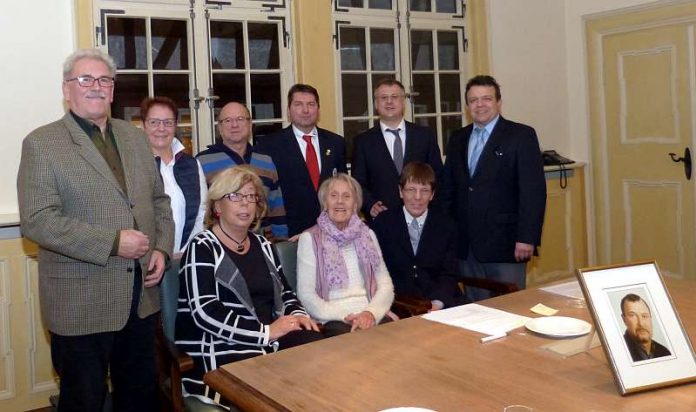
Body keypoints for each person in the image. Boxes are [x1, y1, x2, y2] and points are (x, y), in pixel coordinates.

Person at [17, 48, 174, 411]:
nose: (96, 87)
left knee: (140, 398)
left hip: (140, 301)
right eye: (85, 79)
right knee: (83, 401)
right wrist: (113, 242)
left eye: (104, 80)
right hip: (80, 303)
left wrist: (162, 251)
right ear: (66, 89)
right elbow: (38, 220)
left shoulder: (135, 138)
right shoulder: (42, 143)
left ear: (113, 90)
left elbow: (160, 203)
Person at [175, 166, 322, 404]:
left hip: (268, 344)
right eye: (235, 196)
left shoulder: (264, 245)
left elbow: (286, 293)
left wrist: (297, 315)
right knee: (279, 389)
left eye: (251, 196)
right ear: (217, 207)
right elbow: (205, 312)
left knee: (318, 352)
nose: (245, 204)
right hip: (221, 347)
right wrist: (266, 333)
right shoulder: (201, 247)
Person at [438, 75, 546, 301]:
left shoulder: (521, 135)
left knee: (511, 309)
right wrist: (446, 236)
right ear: (467, 105)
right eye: (473, 100)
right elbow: (448, 190)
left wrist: (527, 237)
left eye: (486, 98)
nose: (480, 105)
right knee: (475, 310)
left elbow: (532, 191)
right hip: (466, 246)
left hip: (506, 245)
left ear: (499, 102)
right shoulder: (458, 138)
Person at [296, 174, 395, 338]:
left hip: (369, 314)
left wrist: (370, 313)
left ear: (355, 204)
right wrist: (347, 316)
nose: (340, 201)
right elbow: (306, 296)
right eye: (333, 195)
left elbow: (385, 285)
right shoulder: (310, 239)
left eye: (347, 196)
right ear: (325, 203)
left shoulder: (368, 235)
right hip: (332, 319)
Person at [255, 84, 347, 238]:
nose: (305, 110)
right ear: (289, 110)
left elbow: (344, 188)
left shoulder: (336, 143)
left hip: (332, 229)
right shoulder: (269, 146)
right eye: (298, 104)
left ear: (318, 109)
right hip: (289, 233)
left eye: (311, 104)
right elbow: (263, 195)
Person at [372, 162, 466, 310]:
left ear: (432, 194)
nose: (417, 197)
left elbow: (449, 273)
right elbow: (376, 273)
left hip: (442, 302)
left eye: (424, 190)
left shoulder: (446, 225)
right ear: (400, 191)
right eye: (411, 190)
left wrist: (437, 304)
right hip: (400, 304)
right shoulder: (382, 224)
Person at [351, 78, 443, 219]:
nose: (389, 102)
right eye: (383, 98)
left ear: (403, 101)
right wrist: (370, 205)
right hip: (382, 219)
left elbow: (437, 176)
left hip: (422, 217)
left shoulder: (424, 136)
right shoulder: (363, 142)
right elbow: (358, 183)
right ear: (376, 104)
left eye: (394, 97)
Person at [196, 101, 288, 240]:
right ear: (219, 128)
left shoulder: (266, 161)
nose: (234, 125)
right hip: (220, 243)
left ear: (250, 125)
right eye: (227, 120)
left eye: (240, 119)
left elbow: (276, 206)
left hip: (263, 241)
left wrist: (281, 239)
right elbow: (200, 211)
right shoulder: (202, 162)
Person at [141, 96, 207, 257]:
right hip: (148, 258)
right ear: (143, 125)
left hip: (187, 255)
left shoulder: (192, 165)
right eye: (154, 122)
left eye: (168, 122)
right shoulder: (135, 165)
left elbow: (202, 212)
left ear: (175, 125)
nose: (161, 128)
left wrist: (189, 251)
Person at [620, 293, 671, 362]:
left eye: (644, 316)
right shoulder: (620, 351)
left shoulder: (664, 352)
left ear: (650, 318)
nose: (641, 323)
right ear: (624, 319)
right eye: (632, 316)